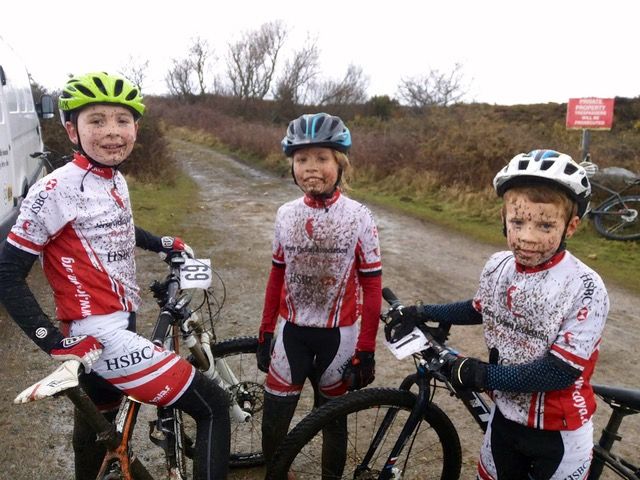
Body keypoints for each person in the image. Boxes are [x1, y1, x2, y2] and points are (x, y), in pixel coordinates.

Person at [0, 72, 230, 480]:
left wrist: (160, 242)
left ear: (136, 128)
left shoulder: (114, 178)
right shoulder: (54, 190)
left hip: (119, 323)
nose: (112, 132)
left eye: (122, 121)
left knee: (99, 428)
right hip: (99, 336)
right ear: (72, 129)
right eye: (96, 121)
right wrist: (53, 341)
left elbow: (118, 228)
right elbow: (6, 273)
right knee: (212, 407)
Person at [388, 149, 609, 480]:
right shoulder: (499, 265)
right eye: (517, 221)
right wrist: (421, 311)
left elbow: (558, 372)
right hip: (503, 420)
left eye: (545, 224)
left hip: (558, 435)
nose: (527, 236)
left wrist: (481, 375)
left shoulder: (587, 287)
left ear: (571, 226)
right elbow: (479, 308)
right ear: (503, 218)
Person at [256, 113, 382, 476]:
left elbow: (372, 285)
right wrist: (266, 332)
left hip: (339, 339)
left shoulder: (359, 216)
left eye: (322, 159)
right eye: (302, 159)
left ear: (339, 164)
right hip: (292, 333)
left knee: (333, 426)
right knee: (273, 426)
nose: (311, 168)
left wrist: (367, 349)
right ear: (292, 166)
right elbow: (276, 275)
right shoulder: (285, 214)